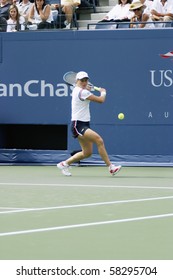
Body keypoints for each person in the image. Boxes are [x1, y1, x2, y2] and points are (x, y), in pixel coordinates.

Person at [57, 71, 122, 176]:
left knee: (87, 153)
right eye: (82, 80)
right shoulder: (82, 92)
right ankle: (111, 167)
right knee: (99, 140)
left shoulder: (78, 89)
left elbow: (85, 90)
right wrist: (103, 92)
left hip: (83, 124)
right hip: (78, 125)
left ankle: (64, 163)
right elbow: (101, 100)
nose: (84, 82)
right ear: (77, 81)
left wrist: (89, 88)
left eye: (86, 80)